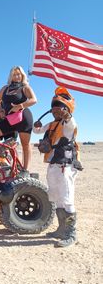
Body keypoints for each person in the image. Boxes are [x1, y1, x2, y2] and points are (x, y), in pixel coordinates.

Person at [33, 87, 82, 248]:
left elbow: (70, 122)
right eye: (54, 107)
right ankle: (61, 230)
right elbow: (38, 130)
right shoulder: (52, 124)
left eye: (59, 107)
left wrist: (66, 114)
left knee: (67, 199)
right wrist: (36, 126)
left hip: (65, 166)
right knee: (57, 199)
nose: (55, 110)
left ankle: (70, 233)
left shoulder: (68, 124)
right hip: (54, 165)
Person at [0, 66, 37, 172]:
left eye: (19, 74)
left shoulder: (25, 87)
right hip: (10, 118)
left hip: (24, 117)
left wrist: (19, 106)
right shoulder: (5, 88)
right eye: (14, 74)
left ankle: (25, 169)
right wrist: (1, 111)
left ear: (22, 75)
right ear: (11, 76)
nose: (17, 76)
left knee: (25, 144)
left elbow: (34, 100)